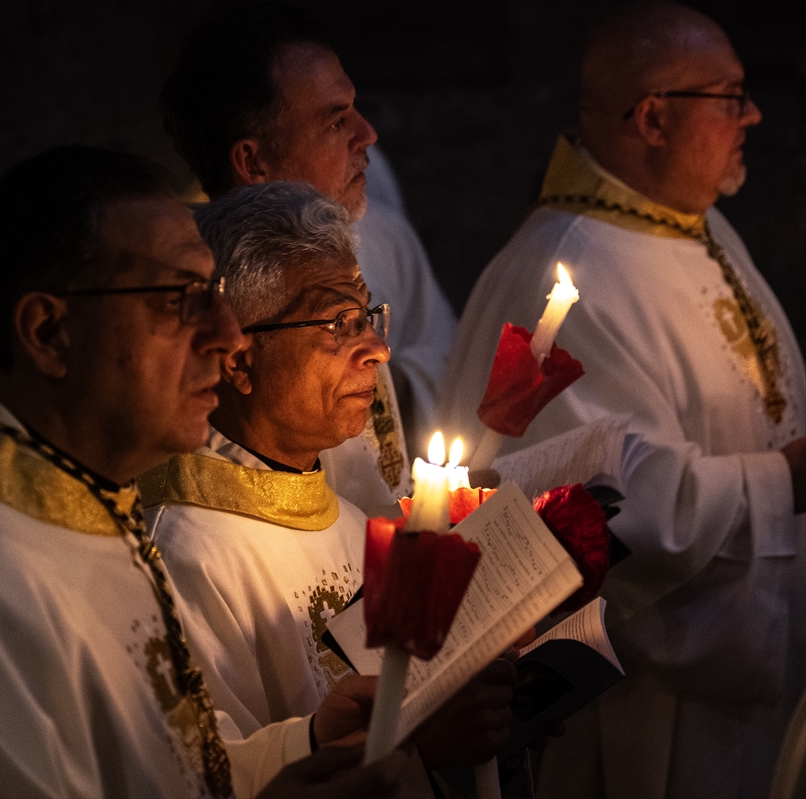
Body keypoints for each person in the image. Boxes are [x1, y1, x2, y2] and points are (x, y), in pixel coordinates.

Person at [0, 146, 433, 798]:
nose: (229, 336)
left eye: (216, 293)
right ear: (48, 332)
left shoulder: (78, 500)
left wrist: (303, 746)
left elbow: (154, 765)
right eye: (182, 298)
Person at [439, 3, 806, 797]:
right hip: (650, 709)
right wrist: (787, 481)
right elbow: (602, 508)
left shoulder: (693, 226)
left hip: (744, 673)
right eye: (731, 94)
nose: (752, 114)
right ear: (653, 118)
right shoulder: (571, 273)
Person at [142, 180, 517, 782]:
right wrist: (413, 745)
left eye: (369, 315)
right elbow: (201, 776)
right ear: (238, 359)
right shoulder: (186, 553)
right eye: (340, 323)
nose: (378, 351)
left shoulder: (349, 521)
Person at [161, 2, 457, 507]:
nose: (368, 135)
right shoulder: (198, 310)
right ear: (253, 161)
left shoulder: (368, 241)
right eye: (335, 122)